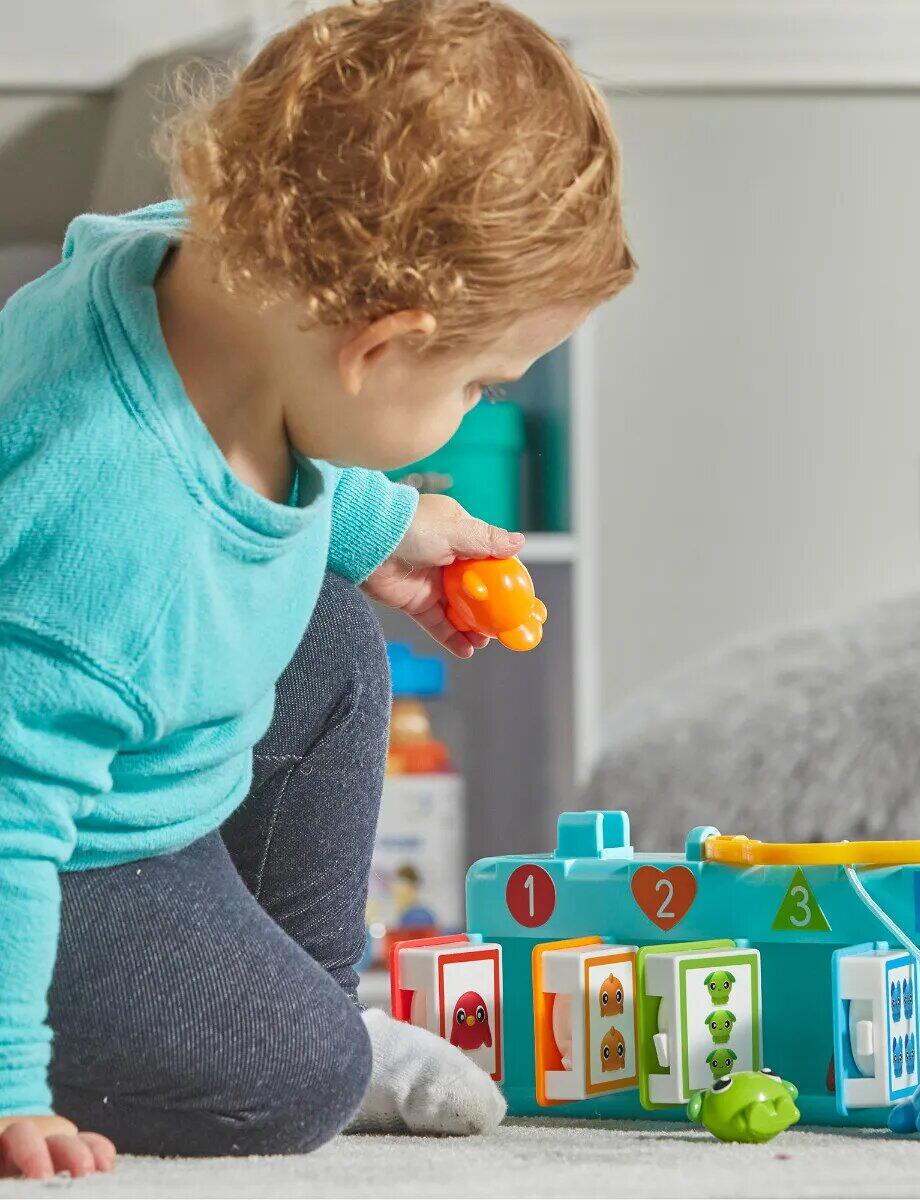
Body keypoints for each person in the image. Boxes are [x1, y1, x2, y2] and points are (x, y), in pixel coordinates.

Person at [0, 0, 633, 1178]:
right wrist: (10, 1082)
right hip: (61, 858)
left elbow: (244, 440)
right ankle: (306, 1032)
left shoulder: (194, 264)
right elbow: (11, 816)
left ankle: (308, 990)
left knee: (333, 628)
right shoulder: (111, 531)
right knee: (294, 1078)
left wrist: (381, 522)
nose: (478, 408)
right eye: (480, 385)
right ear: (376, 347)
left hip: (142, 761)